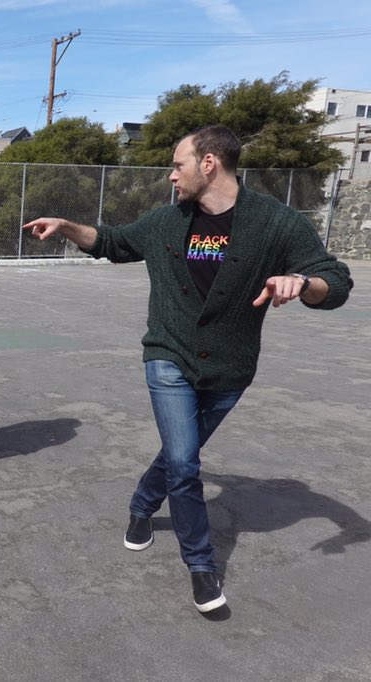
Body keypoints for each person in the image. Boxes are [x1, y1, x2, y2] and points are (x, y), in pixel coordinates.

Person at [23, 124, 353, 613]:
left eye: (177, 165)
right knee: (184, 463)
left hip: (230, 368)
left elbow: (336, 280)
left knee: (182, 453)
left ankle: (140, 508)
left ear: (209, 163)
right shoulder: (167, 221)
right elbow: (113, 241)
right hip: (169, 356)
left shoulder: (275, 222)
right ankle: (202, 567)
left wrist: (302, 283)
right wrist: (68, 227)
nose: (170, 176)